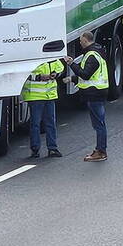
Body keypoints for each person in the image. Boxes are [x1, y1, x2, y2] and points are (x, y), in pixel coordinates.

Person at [65, 31, 109, 162]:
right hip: (97, 92)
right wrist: (72, 79)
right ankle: (100, 150)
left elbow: (86, 74)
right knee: (99, 123)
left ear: (85, 40)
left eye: (80, 40)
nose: (79, 43)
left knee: (99, 124)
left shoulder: (91, 56)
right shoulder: (96, 52)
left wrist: (71, 64)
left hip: (95, 93)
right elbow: (88, 75)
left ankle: (101, 151)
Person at [22, 58, 63, 159]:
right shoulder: (32, 59)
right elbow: (23, 75)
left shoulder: (53, 58)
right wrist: (39, 77)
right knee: (35, 124)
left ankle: (52, 149)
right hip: (35, 96)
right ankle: (35, 150)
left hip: (49, 96)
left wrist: (55, 74)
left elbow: (60, 67)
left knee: (50, 123)